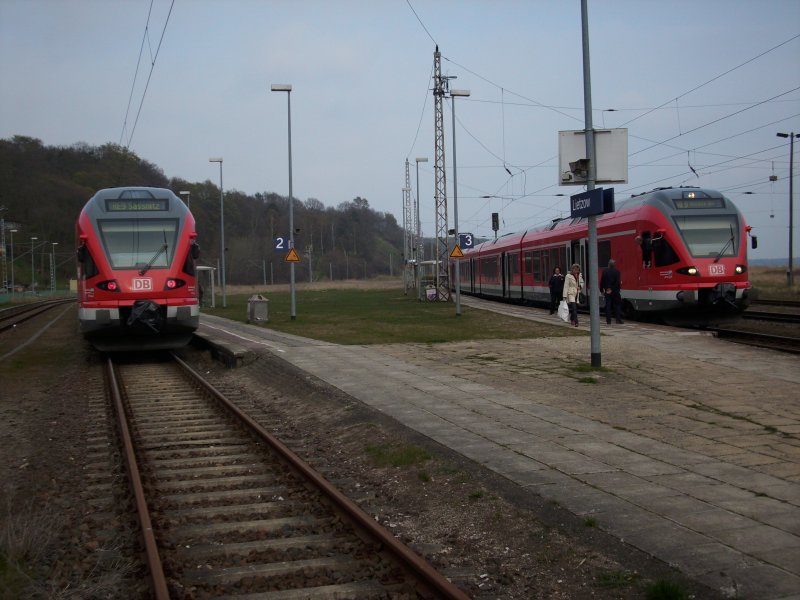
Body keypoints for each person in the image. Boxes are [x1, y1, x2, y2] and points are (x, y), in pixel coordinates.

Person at [600, 259, 623, 324]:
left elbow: (602, 281)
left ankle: (608, 320)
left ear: (608, 265)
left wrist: (601, 290)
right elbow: (617, 282)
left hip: (607, 291)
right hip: (615, 291)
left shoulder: (605, 271)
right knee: (617, 305)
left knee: (608, 305)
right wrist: (612, 289)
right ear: (615, 265)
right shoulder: (617, 272)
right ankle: (618, 320)